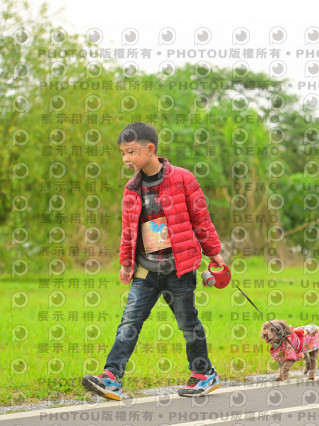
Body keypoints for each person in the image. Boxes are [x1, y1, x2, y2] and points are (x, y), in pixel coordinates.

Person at [81, 122, 225, 399]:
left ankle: (204, 373)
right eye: (123, 153)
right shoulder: (131, 188)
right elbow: (128, 229)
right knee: (129, 322)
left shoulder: (183, 179)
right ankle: (111, 377)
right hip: (146, 269)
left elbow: (201, 219)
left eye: (131, 152)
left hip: (179, 268)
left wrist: (214, 251)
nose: (126, 158)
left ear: (150, 149)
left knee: (188, 323)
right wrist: (126, 262)